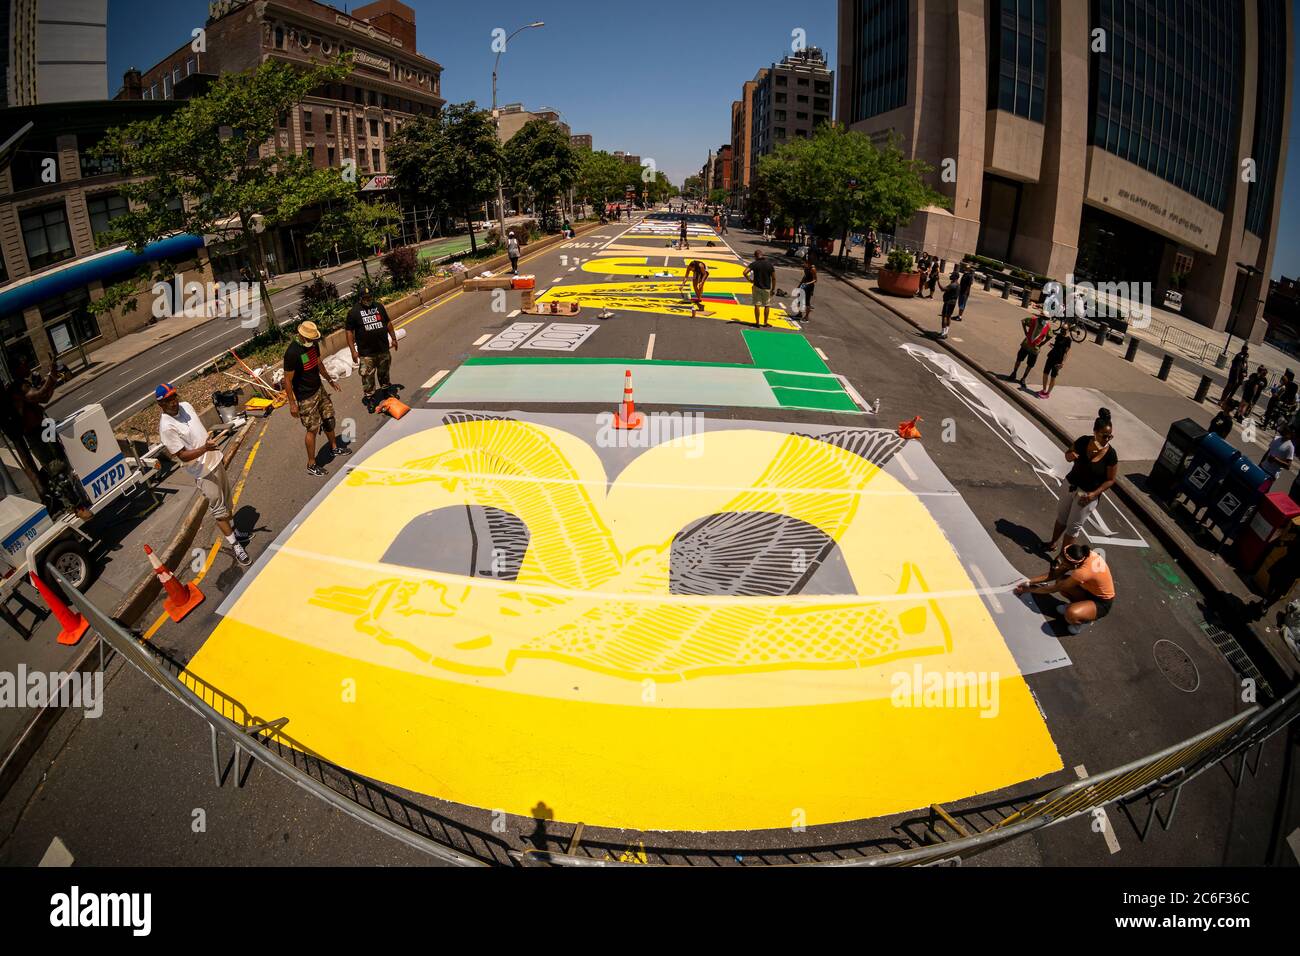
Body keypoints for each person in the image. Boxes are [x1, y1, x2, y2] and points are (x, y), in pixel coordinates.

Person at [156, 383, 252, 567]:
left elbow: (199, 432)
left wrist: (215, 454)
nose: (174, 402)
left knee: (227, 501)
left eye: (174, 397)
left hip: (215, 459)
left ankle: (236, 531)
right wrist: (204, 449)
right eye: (168, 400)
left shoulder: (186, 406)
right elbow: (183, 455)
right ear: (161, 404)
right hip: (202, 471)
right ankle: (235, 545)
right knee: (218, 508)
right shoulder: (166, 428)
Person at [1046, 408, 1118, 556]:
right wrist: (1070, 455)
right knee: (1061, 517)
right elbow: (1067, 455)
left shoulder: (1111, 454)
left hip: (1087, 496)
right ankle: (1052, 543)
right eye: (1104, 436)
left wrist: (1093, 494)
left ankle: (1062, 558)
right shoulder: (1083, 441)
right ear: (1095, 432)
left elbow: (1111, 480)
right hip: (1070, 486)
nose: (1107, 439)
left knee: (1073, 527)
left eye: (1109, 437)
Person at [284, 320, 350, 477]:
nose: (311, 341)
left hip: (319, 389)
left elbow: (318, 363)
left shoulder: (313, 345)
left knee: (329, 419)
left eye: (312, 339)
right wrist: (292, 404)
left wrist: (330, 380)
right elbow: (287, 379)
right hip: (305, 397)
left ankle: (334, 447)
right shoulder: (292, 353)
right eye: (308, 339)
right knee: (312, 429)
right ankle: (311, 464)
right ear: (301, 335)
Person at [1014, 543, 1116, 634]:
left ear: (1075, 564)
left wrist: (1027, 590)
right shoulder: (1080, 556)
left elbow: (1054, 589)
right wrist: (1029, 582)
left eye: (1064, 563)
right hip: (1088, 590)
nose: (1061, 565)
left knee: (1071, 614)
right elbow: (1053, 575)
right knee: (1061, 580)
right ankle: (1078, 606)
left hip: (1101, 603)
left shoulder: (1082, 572)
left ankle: (1085, 620)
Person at [346, 286, 400, 413]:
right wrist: (353, 351)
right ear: (360, 299)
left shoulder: (379, 307)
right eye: (365, 298)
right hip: (366, 353)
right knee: (367, 377)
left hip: (382, 349)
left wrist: (393, 338)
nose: (368, 299)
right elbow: (349, 332)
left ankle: (386, 391)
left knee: (384, 372)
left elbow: (387, 323)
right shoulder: (354, 312)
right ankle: (370, 399)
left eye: (370, 297)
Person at [1010, 311, 1052, 386]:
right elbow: (1023, 321)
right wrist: (1025, 332)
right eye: (1043, 317)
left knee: (1030, 365)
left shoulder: (1047, 326)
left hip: (1035, 349)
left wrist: (1042, 343)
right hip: (1026, 344)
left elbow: (1050, 336)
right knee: (1019, 359)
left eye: (1046, 318)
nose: (1044, 319)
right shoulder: (1033, 320)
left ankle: (1023, 378)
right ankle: (1014, 373)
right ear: (1040, 317)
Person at [744, 250, 777, 327]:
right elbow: (774, 278)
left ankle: (757, 323)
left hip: (757, 287)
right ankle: (765, 323)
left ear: (755, 256)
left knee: (757, 305)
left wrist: (750, 280)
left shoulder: (754, 264)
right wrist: (773, 289)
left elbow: (745, 272)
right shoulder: (769, 265)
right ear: (763, 255)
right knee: (767, 305)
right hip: (767, 288)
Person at [1038, 329, 1073, 398]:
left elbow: (1066, 352)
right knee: (1045, 373)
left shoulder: (1068, 340)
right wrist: (1053, 345)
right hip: (1051, 356)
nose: (1063, 331)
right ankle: (1044, 390)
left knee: (1053, 377)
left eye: (1065, 330)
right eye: (1062, 329)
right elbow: (1057, 345)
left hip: (1058, 360)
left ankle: (1048, 393)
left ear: (1068, 330)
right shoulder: (1059, 336)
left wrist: (1062, 363)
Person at [938, 274, 959, 339]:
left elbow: (942, 289)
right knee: (949, 316)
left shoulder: (953, 285)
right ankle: (946, 332)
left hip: (948, 302)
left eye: (952, 275)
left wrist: (938, 281)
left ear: (955, 277)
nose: (951, 276)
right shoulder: (957, 284)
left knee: (944, 316)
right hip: (953, 302)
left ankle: (943, 333)